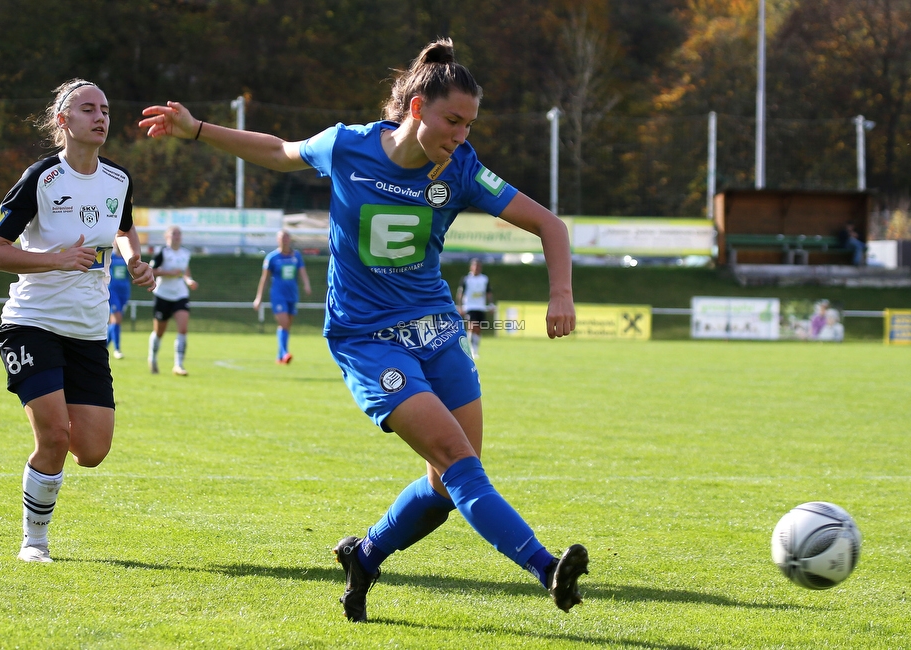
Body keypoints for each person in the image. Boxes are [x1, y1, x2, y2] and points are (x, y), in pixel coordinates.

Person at [139, 38, 587, 622]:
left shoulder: (464, 170)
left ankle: (366, 555)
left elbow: (550, 226)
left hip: (436, 331)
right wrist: (198, 129)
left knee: (450, 481)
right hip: (366, 338)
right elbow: (278, 150)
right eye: (454, 120)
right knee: (457, 459)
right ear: (418, 109)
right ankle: (545, 567)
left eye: (471, 124)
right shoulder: (346, 145)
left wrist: (561, 294)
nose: (463, 135)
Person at [0, 79, 155, 563]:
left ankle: (48, 423)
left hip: (88, 330)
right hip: (31, 322)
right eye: (87, 109)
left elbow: (122, 227)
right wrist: (57, 259)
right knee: (54, 436)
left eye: (105, 109)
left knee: (92, 450)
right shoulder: (42, 178)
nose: (100, 117)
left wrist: (135, 260)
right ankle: (34, 542)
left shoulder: (118, 179)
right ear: (63, 121)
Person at [253, 229, 313, 364]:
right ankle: (285, 353)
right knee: (284, 323)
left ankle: (280, 356)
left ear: (290, 239)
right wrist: (259, 298)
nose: (285, 240)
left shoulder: (296, 256)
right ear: (277, 240)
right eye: (282, 237)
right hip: (278, 295)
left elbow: (302, 272)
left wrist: (307, 285)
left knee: (286, 326)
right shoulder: (272, 258)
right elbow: (264, 279)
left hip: (292, 295)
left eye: (287, 237)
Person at [148, 225, 198, 376]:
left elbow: (185, 272)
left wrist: (189, 281)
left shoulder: (185, 253)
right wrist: (168, 273)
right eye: (174, 234)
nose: (177, 236)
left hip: (180, 295)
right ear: (167, 236)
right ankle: (153, 357)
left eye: (179, 234)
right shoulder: (162, 252)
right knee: (159, 332)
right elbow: (152, 270)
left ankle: (178, 365)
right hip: (163, 295)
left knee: (183, 329)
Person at [456, 258, 493, 359]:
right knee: (472, 326)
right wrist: (460, 306)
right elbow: (460, 293)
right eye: (475, 266)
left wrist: (490, 304)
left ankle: (475, 349)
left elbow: (488, 292)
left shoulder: (484, 279)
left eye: (478, 266)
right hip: (469, 306)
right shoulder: (466, 279)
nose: (476, 268)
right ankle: (471, 349)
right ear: (471, 267)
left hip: (480, 307)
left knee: (477, 329)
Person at [107, 240, 131, 359]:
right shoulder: (110, 257)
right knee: (116, 319)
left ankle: (104, 346)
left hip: (124, 292)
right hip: (113, 292)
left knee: (117, 321)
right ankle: (117, 349)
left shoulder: (128, 258)